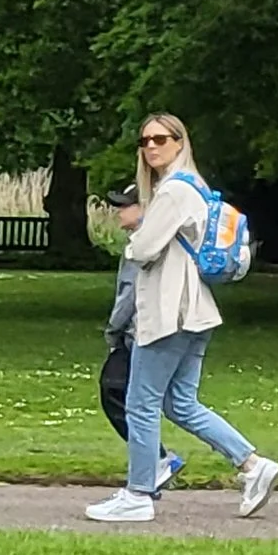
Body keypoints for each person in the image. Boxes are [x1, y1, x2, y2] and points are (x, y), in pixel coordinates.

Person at [82, 116, 278, 524]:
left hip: (168, 310)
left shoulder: (173, 191)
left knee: (140, 403)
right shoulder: (195, 186)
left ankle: (139, 493)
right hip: (195, 310)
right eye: (145, 140)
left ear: (179, 142)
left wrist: (135, 243)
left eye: (161, 138)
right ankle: (252, 464)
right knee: (180, 403)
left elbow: (143, 249)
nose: (151, 147)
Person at [99, 183, 182, 490]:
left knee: (117, 393)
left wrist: (113, 331)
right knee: (162, 402)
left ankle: (157, 464)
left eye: (125, 205)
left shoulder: (142, 244)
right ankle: (153, 466)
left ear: (145, 207)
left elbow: (129, 294)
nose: (119, 211)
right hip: (150, 331)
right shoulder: (152, 239)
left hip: (138, 333)